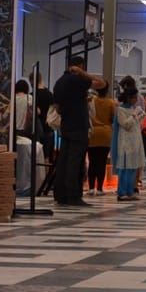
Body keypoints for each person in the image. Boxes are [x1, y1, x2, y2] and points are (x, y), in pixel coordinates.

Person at [50, 55, 105, 207]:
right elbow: (101, 83)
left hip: (66, 126)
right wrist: (83, 74)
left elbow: (58, 108)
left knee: (63, 161)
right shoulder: (78, 80)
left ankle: (61, 195)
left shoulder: (59, 82)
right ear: (80, 66)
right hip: (79, 125)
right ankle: (73, 196)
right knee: (76, 162)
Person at [111, 85, 145, 202]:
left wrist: (140, 116)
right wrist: (134, 115)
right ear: (128, 98)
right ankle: (122, 192)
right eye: (134, 97)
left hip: (135, 141)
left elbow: (135, 124)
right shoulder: (120, 110)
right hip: (125, 143)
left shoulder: (132, 109)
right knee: (125, 168)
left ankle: (130, 191)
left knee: (133, 167)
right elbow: (125, 124)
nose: (136, 100)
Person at [87, 85, 115, 195]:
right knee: (102, 162)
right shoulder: (110, 103)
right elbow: (113, 118)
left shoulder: (91, 101)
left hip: (93, 132)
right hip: (105, 133)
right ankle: (99, 188)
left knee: (92, 161)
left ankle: (90, 188)